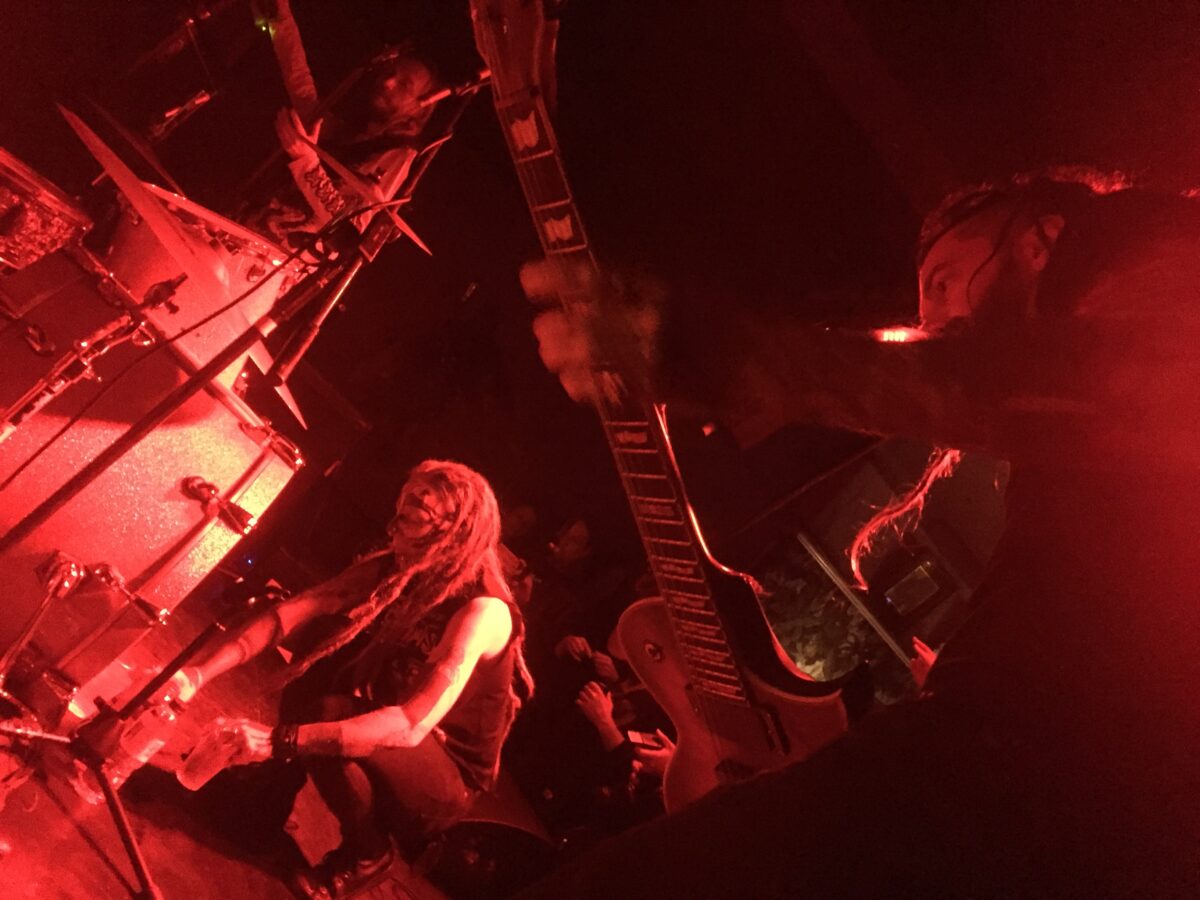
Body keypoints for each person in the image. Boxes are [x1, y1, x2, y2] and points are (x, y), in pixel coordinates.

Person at [515, 168, 1200, 896]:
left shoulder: (1150, 249)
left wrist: (705, 354)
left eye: (943, 281)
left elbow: (1102, 382)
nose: (935, 322)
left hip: (1037, 785)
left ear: (1041, 238)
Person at [177, 459, 533, 898]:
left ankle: (367, 853)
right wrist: (196, 675)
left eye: (434, 498)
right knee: (324, 654)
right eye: (412, 494)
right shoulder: (398, 569)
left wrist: (278, 741)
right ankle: (269, 795)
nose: (417, 498)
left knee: (329, 718)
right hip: (395, 725)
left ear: (459, 530)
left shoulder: (483, 611)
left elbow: (409, 726)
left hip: (443, 776)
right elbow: (293, 614)